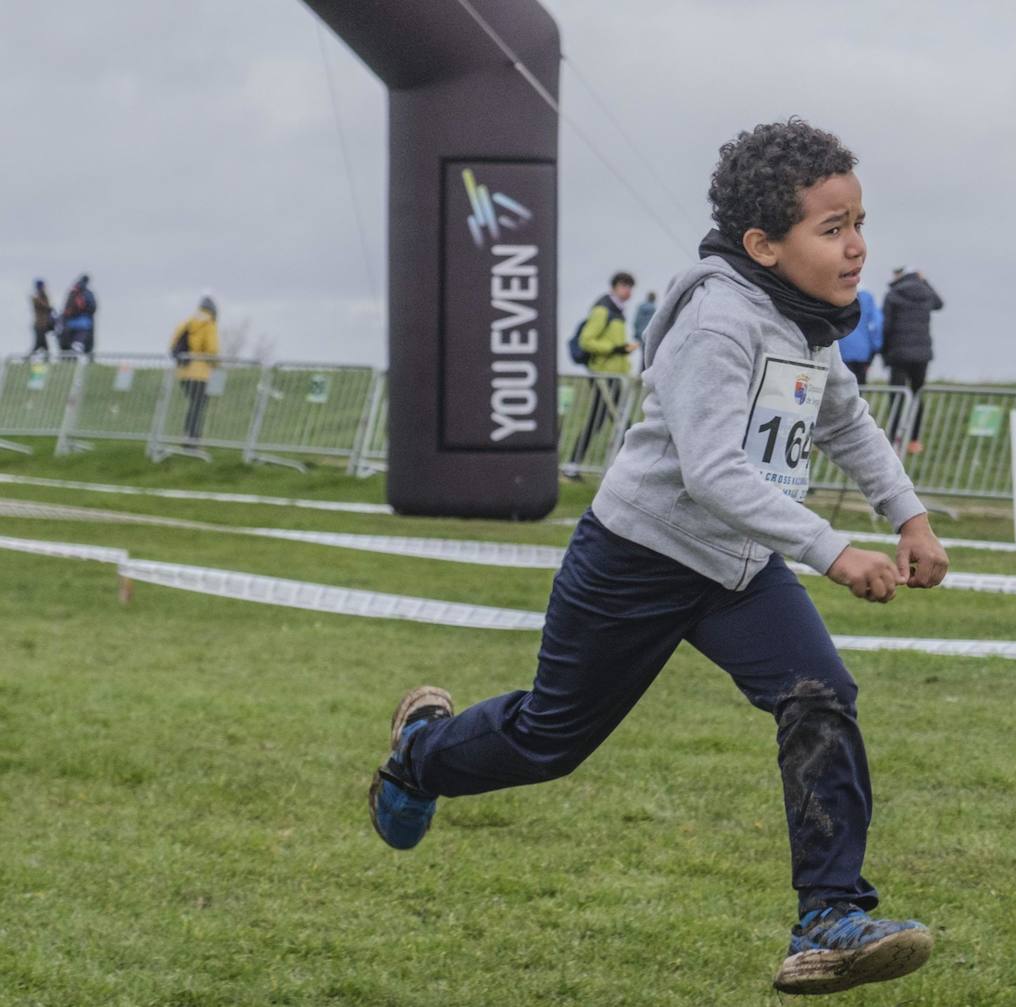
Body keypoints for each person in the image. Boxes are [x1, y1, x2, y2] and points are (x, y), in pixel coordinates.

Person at [369, 118, 950, 996]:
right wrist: (835, 552)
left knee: (820, 694)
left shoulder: (812, 322)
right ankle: (421, 753)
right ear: (762, 243)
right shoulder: (719, 321)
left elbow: (842, 420)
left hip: (740, 567)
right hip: (637, 559)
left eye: (859, 222)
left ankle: (830, 917)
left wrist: (909, 517)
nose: (858, 246)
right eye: (832, 230)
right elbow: (715, 472)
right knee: (548, 740)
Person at [567, 271, 639, 471]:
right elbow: (587, 340)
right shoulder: (603, 309)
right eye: (624, 286)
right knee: (623, 421)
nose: (628, 291)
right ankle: (630, 468)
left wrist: (623, 352)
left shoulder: (619, 311)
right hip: (602, 375)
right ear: (614, 287)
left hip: (615, 376)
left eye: (630, 287)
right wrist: (614, 349)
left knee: (596, 422)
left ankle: (573, 465)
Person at [881, 267, 942, 452]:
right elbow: (939, 304)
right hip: (921, 354)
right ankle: (914, 440)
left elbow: (887, 326)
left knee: (897, 395)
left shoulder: (892, 294)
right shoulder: (925, 292)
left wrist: (884, 353)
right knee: (917, 395)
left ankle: (894, 438)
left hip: (899, 353)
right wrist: (925, 281)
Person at [169, 295, 219, 441]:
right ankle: (193, 437)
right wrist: (216, 365)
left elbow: (173, 344)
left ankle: (187, 434)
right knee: (198, 406)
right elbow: (212, 349)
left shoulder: (187, 322)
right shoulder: (209, 324)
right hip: (200, 373)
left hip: (183, 372)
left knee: (193, 404)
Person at [837, 285, 882, 384]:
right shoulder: (867, 298)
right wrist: (876, 347)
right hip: (863, 352)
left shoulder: (838, 294)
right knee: (859, 389)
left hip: (841, 350)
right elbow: (876, 325)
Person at [58, 274, 97, 354]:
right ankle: (78, 345)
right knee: (83, 342)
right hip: (83, 322)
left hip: (69, 322)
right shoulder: (87, 293)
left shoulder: (72, 292)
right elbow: (93, 307)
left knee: (68, 343)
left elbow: (66, 307)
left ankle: (72, 351)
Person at [29, 279, 55, 356]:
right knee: (39, 345)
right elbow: (45, 306)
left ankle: (46, 361)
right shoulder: (36, 297)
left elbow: (48, 307)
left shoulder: (43, 296)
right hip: (39, 325)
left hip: (43, 325)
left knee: (43, 346)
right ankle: (26, 360)